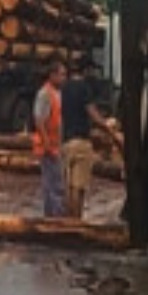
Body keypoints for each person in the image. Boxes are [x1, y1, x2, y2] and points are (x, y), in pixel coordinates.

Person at [61, 61, 110, 219]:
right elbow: (93, 114)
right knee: (78, 186)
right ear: (85, 71)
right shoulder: (84, 88)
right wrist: (107, 125)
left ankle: (67, 222)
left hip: (66, 141)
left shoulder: (64, 88)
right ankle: (77, 221)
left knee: (68, 186)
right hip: (81, 141)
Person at [32, 64, 67, 218]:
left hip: (56, 144)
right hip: (48, 146)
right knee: (53, 183)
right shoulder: (45, 94)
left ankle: (55, 213)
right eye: (61, 74)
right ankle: (53, 216)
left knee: (57, 182)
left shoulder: (56, 93)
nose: (63, 78)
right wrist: (47, 143)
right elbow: (39, 120)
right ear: (52, 75)